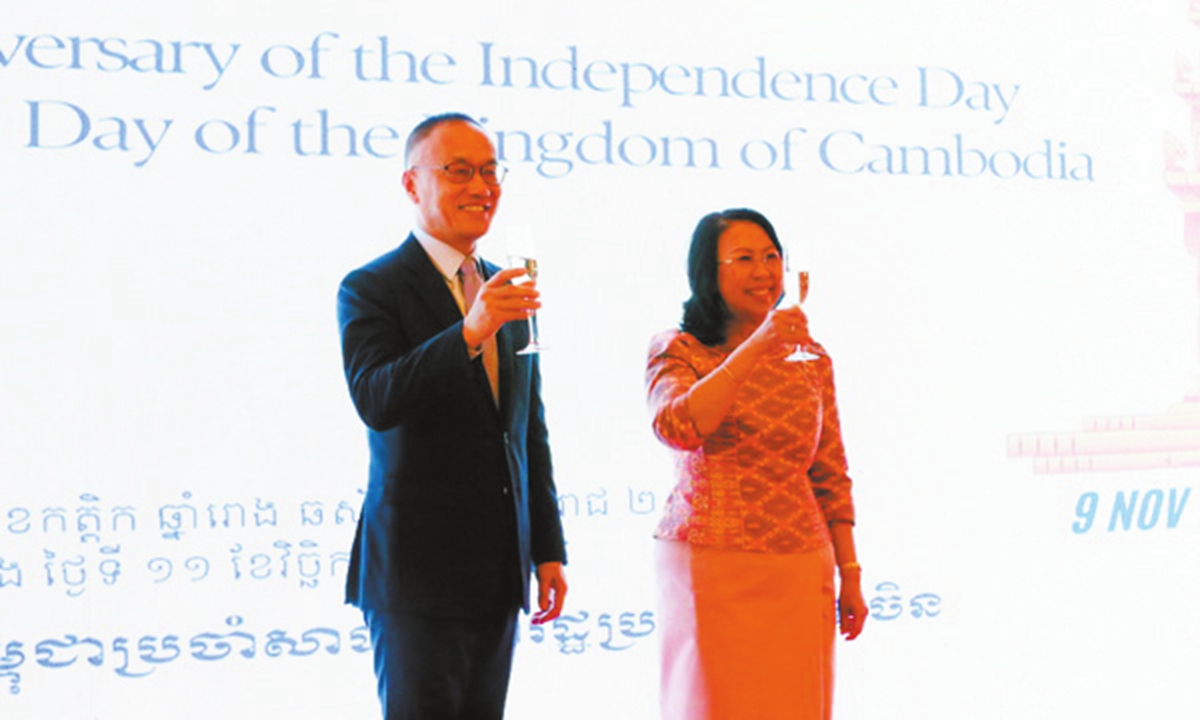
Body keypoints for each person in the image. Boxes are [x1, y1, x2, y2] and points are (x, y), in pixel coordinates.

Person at [337, 112, 568, 720]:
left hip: (498, 570)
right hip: (417, 576)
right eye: (459, 170)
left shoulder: (502, 287)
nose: (482, 186)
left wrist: (547, 547)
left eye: (491, 171)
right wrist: (468, 331)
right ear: (412, 185)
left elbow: (526, 430)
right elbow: (376, 398)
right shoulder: (371, 287)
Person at [645, 208, 866, 719]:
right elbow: (678, 426)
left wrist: (849, 570)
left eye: (772, 257)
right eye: (744, 258)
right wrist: (758, 344)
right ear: (709, 272)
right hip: (712, 566)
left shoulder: (811, 358)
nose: (764, 271)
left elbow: (830, 471)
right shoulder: (677, 350)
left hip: (800, 568)